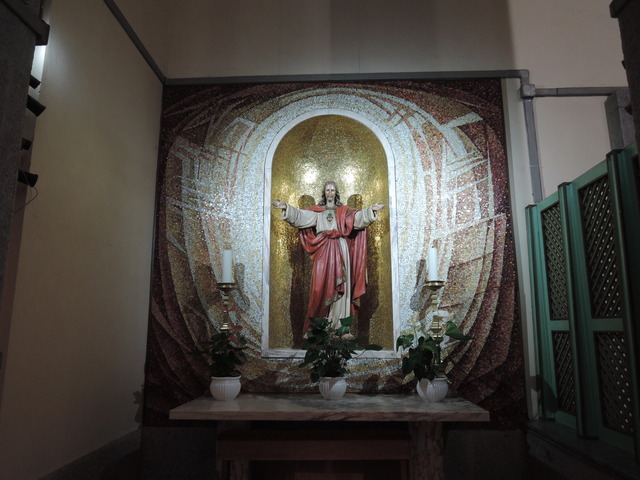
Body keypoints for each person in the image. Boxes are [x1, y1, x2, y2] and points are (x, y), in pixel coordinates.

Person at [272, 181, 385, 334]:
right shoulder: (317, 212)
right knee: (318, 286)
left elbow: (357, 219)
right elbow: (300, 216)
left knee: (342, 285)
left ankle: (339, 328)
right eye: (327, 190)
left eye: (332, 190)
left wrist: (370, 210)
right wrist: (286, 207)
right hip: (323, 249)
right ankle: (319, 328)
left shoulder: (344, 212)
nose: (330, 193)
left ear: (336, 193)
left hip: (340, 248)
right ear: (324, 193)